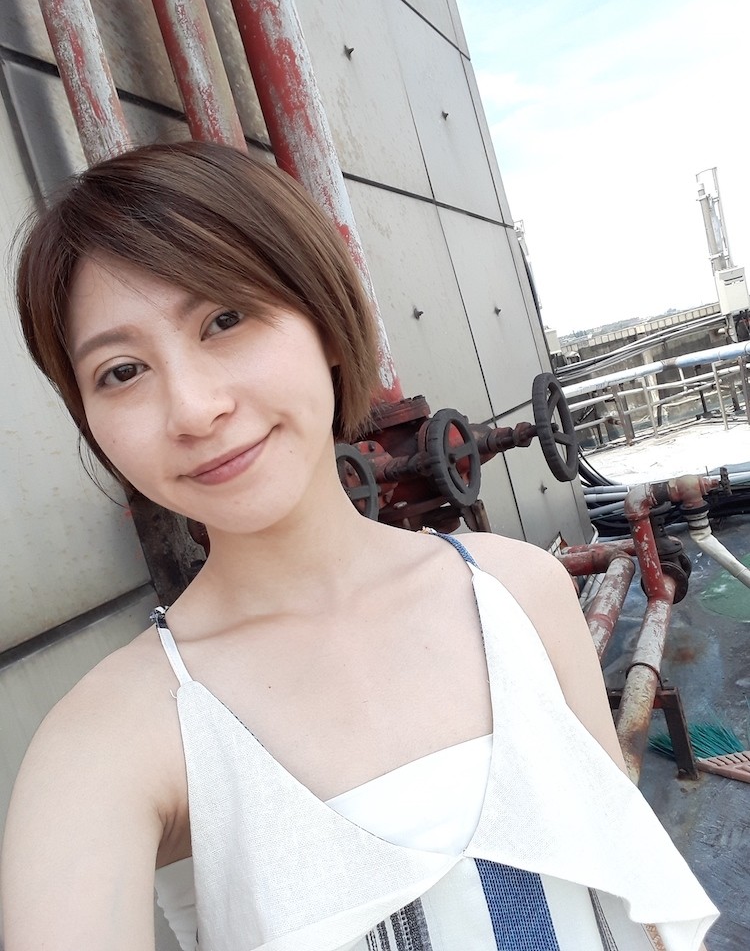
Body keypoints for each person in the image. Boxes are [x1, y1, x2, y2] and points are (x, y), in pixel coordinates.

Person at [1, 141, 717, 951]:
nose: (194, 409)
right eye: (122, 371)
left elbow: (636, 895)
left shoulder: (522, 592)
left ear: (327, 325)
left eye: (224, 320)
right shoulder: (111, 736)